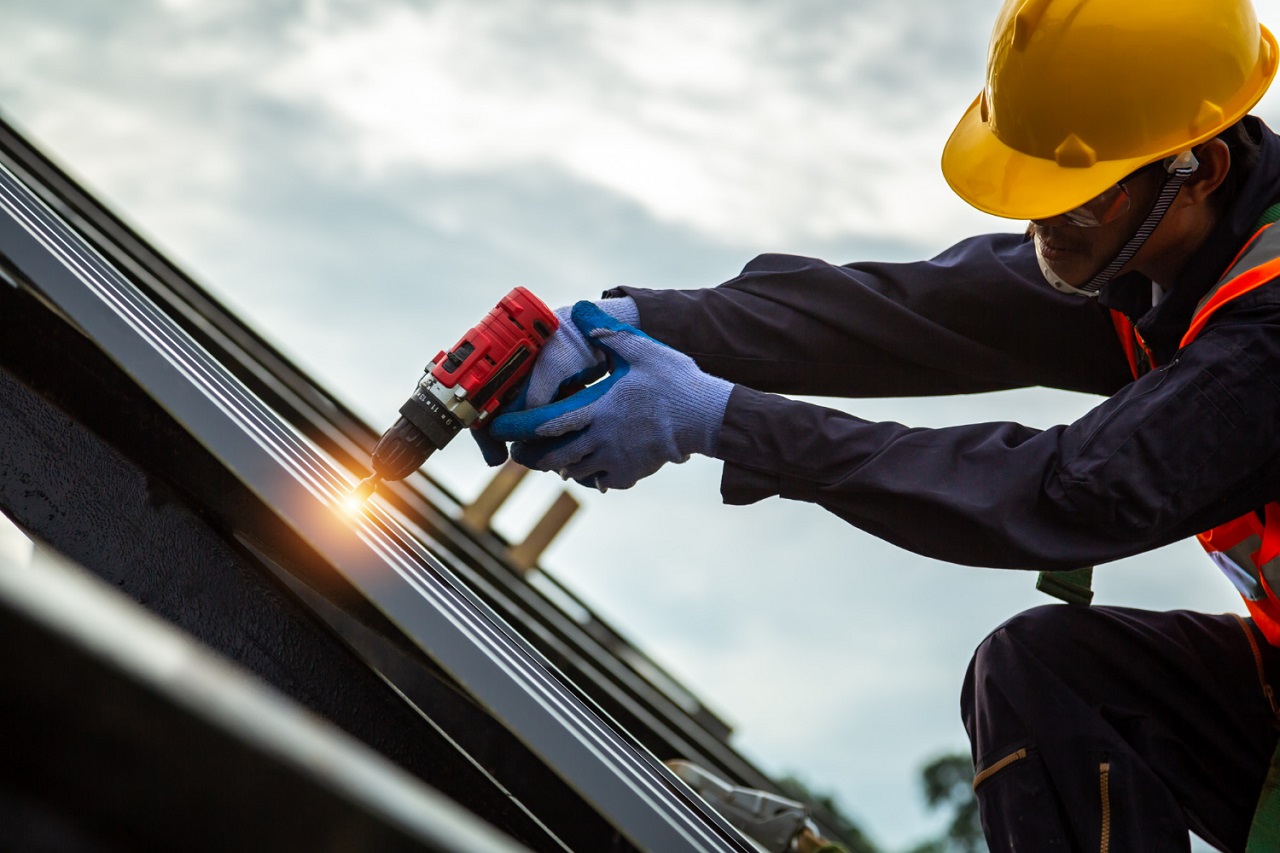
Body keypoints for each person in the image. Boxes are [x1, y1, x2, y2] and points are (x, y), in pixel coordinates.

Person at [478, 0, 1280, 849]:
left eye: (1075, 199)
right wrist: (631, 322)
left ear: (1203, 169)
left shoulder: (1265, 329)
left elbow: (1070, 492)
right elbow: (906, 312)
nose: (1042, 221)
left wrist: (718, 420)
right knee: (1046, 672)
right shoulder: (1162, 257)